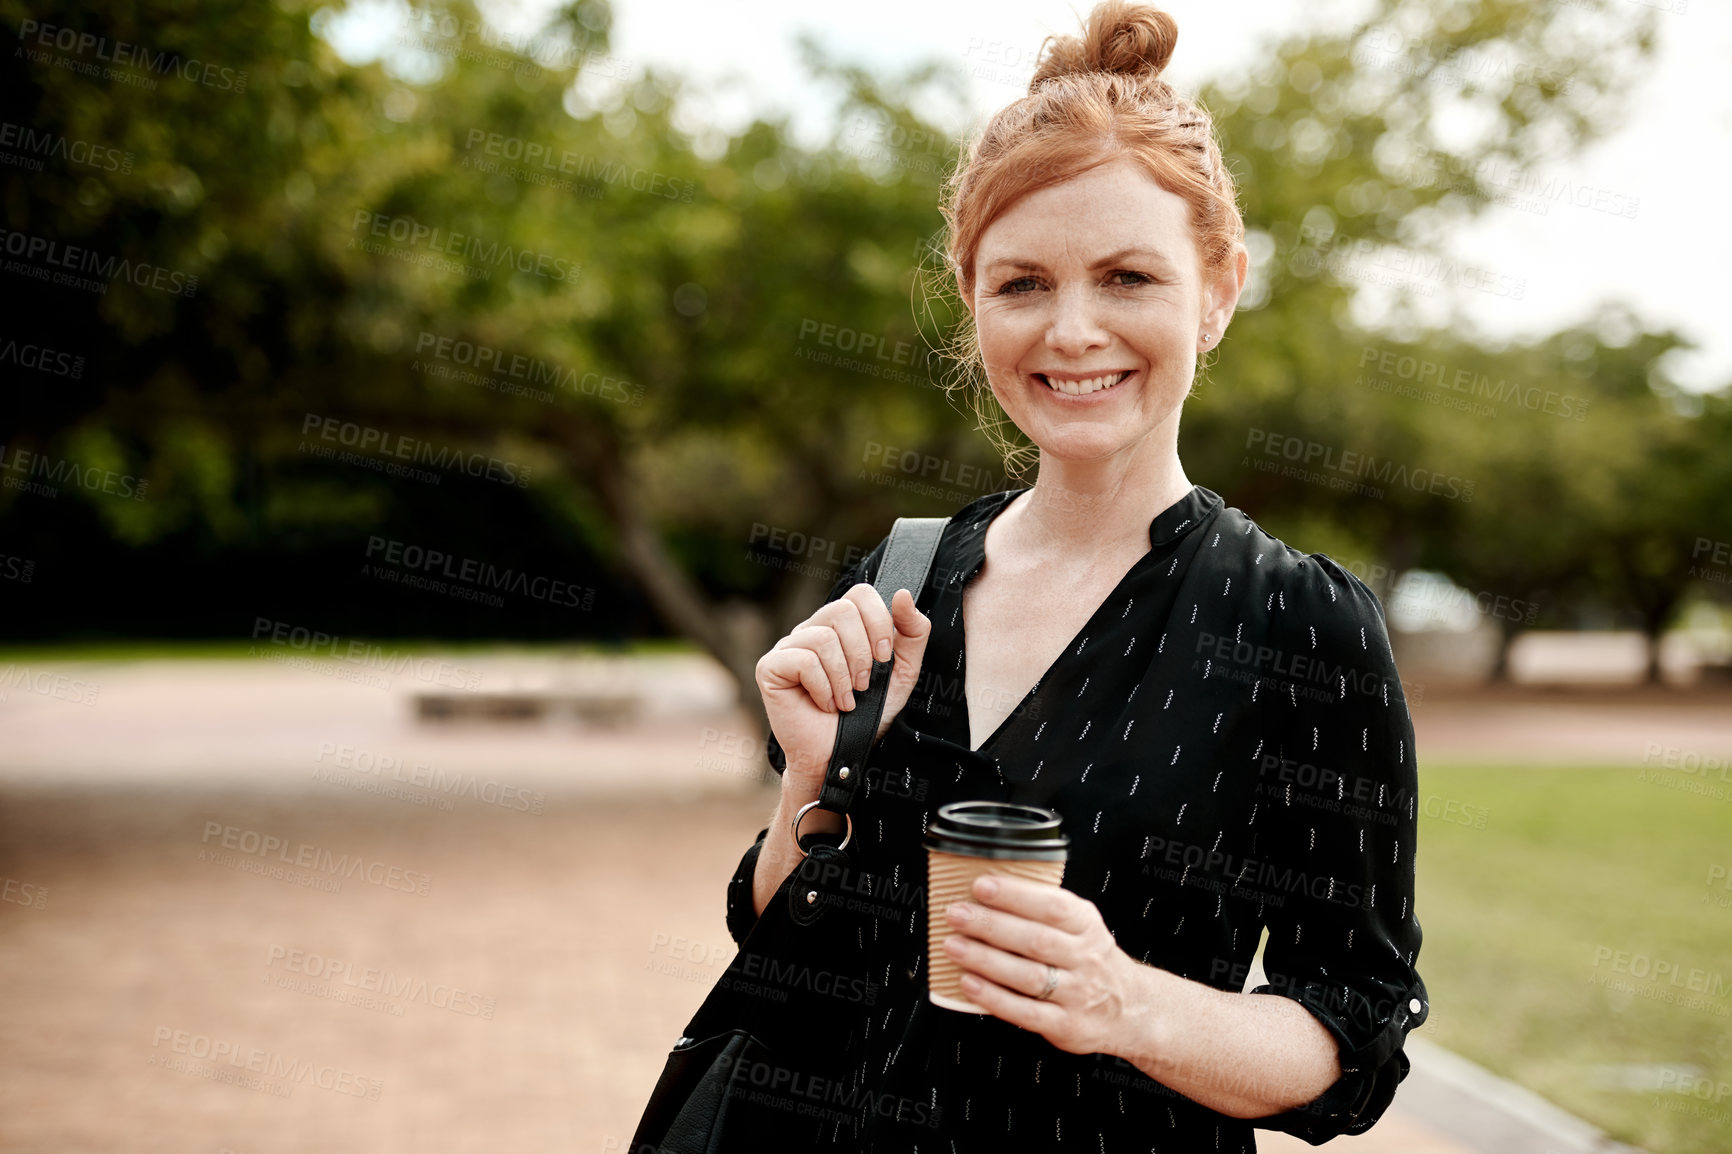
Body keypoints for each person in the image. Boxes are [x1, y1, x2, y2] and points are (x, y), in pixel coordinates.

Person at [725, 2, 1428, 1148]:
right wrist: (811, 780)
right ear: (972, 301)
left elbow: (1352, 1031)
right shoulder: (898, 578)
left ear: (1219, 290)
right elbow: (775, 940)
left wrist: (1125, 1002)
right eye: (1021, 284)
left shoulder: (1301, 622)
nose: (1071, 330)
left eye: (1127, 276)